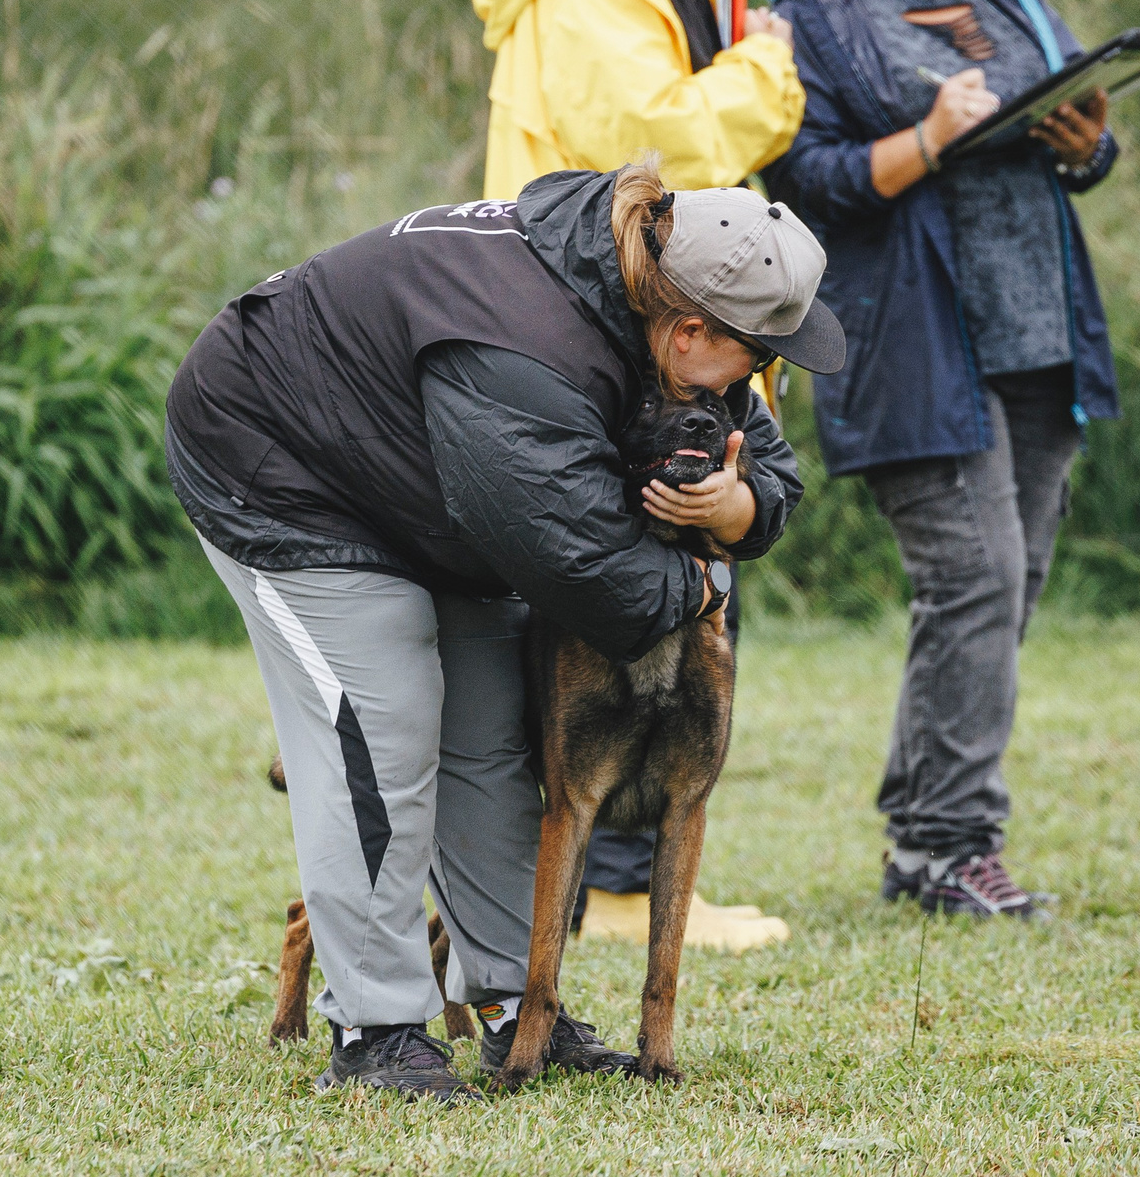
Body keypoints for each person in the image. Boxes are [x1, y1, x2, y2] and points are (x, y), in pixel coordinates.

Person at [164, 163, 841, 1099]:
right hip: (280, 461)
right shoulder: (527, 344)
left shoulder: (657, 303)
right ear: (690, 332)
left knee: (488, 727)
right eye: (759, 359)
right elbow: (589, 570)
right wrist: (706, 579)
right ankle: (375, 1030)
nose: (758, 382)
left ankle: (516, 1005)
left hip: (424, 482)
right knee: (384, 722)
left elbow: (769, 471)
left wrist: (738, 506)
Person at [456, 0, 806, 952]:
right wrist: (766, 72)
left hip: (637, 319)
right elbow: (647, 153)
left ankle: (623, 877)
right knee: (631, 582)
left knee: (679, 567)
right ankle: (610, 886)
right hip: (604, 327)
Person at [762, 0, 1121, 920]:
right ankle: (953, 844)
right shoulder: (805, 15)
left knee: (1001, 593)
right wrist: (924, 139)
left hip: (1037, 330)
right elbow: (803, 178)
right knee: (975, 581)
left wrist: (1089, 142)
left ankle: (923, 842)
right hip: (910, 344)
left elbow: (1081, 127)